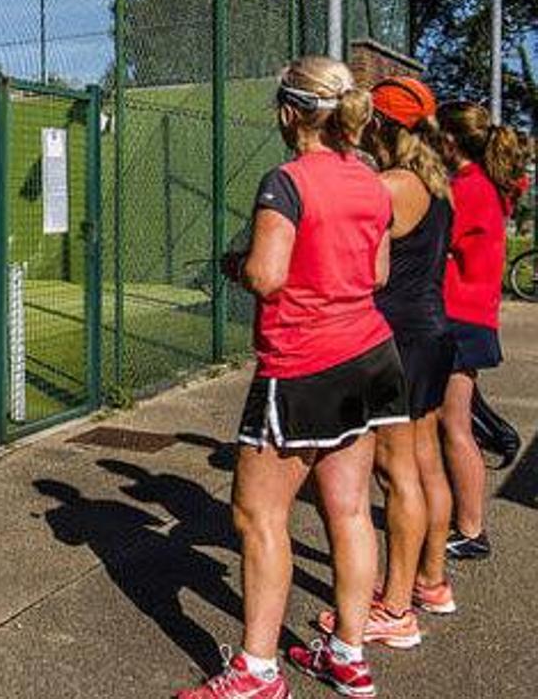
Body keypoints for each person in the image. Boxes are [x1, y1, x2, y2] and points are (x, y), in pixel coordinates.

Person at [177, 56, 406, 699]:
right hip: (371, 355)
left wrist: (239, 264)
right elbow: (380, 274)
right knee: (352, 509)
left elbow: (268, 276)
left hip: (303, 364)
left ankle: (257, 671)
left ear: (287, 112)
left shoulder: (285, 181)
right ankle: (348, 655)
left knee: (257, 515)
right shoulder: (370, 179)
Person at [316, 76, 458, 646]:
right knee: (423, 465)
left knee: (396, 473)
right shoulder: (435, 182)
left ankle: (396, 609)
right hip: (431, 332)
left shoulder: (390, 186)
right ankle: (430, 582)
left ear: (382, 124)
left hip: (400, 338)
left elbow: (358, 262)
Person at [429, 102, 528, 561]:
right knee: (456, 422)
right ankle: (463, 520)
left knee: (455, 425)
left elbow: (433, 241)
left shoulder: (466, 188)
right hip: (471, 317)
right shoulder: (484, 185)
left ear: (449, 140)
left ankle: (471, 529)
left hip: (459, 317)